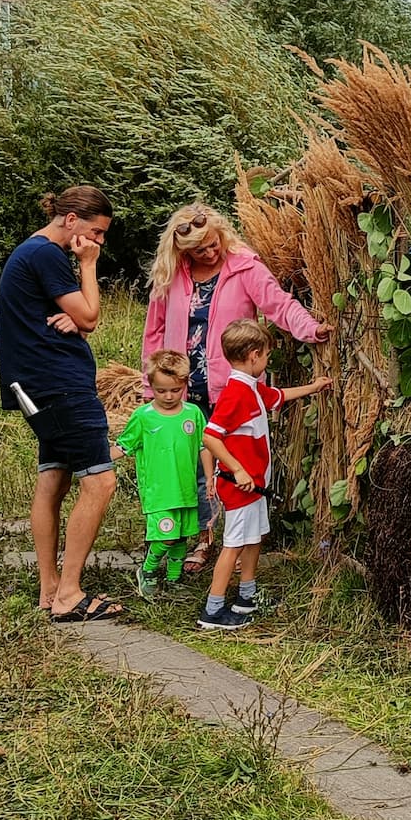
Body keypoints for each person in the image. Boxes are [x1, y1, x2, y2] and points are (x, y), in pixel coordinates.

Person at [141, 203, 330, 571]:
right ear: (182, 251)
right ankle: (198, 539)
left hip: (231, 391)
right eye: (199, 250)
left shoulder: (245, 267)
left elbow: (280, 306)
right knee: (187, 467)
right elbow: (154, 332)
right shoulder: (171, 275)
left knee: (234, 466)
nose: (210, 252)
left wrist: (310, 329)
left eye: (213, 243)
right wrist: (152, 389)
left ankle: (237, 539)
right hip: (178, 391)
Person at [0, 185, 124, 623]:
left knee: (54, 480)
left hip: (39, 385)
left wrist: (78, 319)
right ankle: (70, 594)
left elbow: (77, 319)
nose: (97, 242)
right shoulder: (47, 255)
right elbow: (90, 316)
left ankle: (50, 588)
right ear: (71, 221)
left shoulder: (29, 255)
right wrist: (89, 266)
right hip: (59, 385)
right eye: (96, 232)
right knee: (101, 483)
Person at [198, 319, 329, 632]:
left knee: (254, 538)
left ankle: (247, 595)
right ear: (254, 355)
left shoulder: (253, 388)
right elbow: (210, 437)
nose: (268, 361)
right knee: (234, 544)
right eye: (267, 356)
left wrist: (313, 387)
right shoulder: (235, 394)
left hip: (257, 487)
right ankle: (213, 609)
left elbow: (277, 396)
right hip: (241, 487)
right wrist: (239, 468)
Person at [114, 349, 206, 601]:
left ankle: (174, 580)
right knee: (165, 537)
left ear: (185, 385)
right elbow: (123, 447)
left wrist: (211, 478)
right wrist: (96, 461)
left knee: (181, 538)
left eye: (175, 390)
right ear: (151, 385)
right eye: (161, 390)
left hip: (186, 490)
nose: (168, 396)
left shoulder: (193, 414)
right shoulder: (143, 417)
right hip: (159, 492)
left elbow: (203, 446)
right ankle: (148, 571)